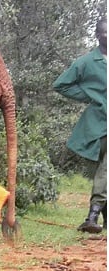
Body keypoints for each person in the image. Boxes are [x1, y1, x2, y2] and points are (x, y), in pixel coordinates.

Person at [53, 16, 107, 233]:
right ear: (97, 35)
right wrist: (89, 95)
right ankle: (94, 217)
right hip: (98, 126)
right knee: (104, 172)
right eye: (105, 32)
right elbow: (61, 85)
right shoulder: (87, 61)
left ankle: (93, 216)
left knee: (105, 172)